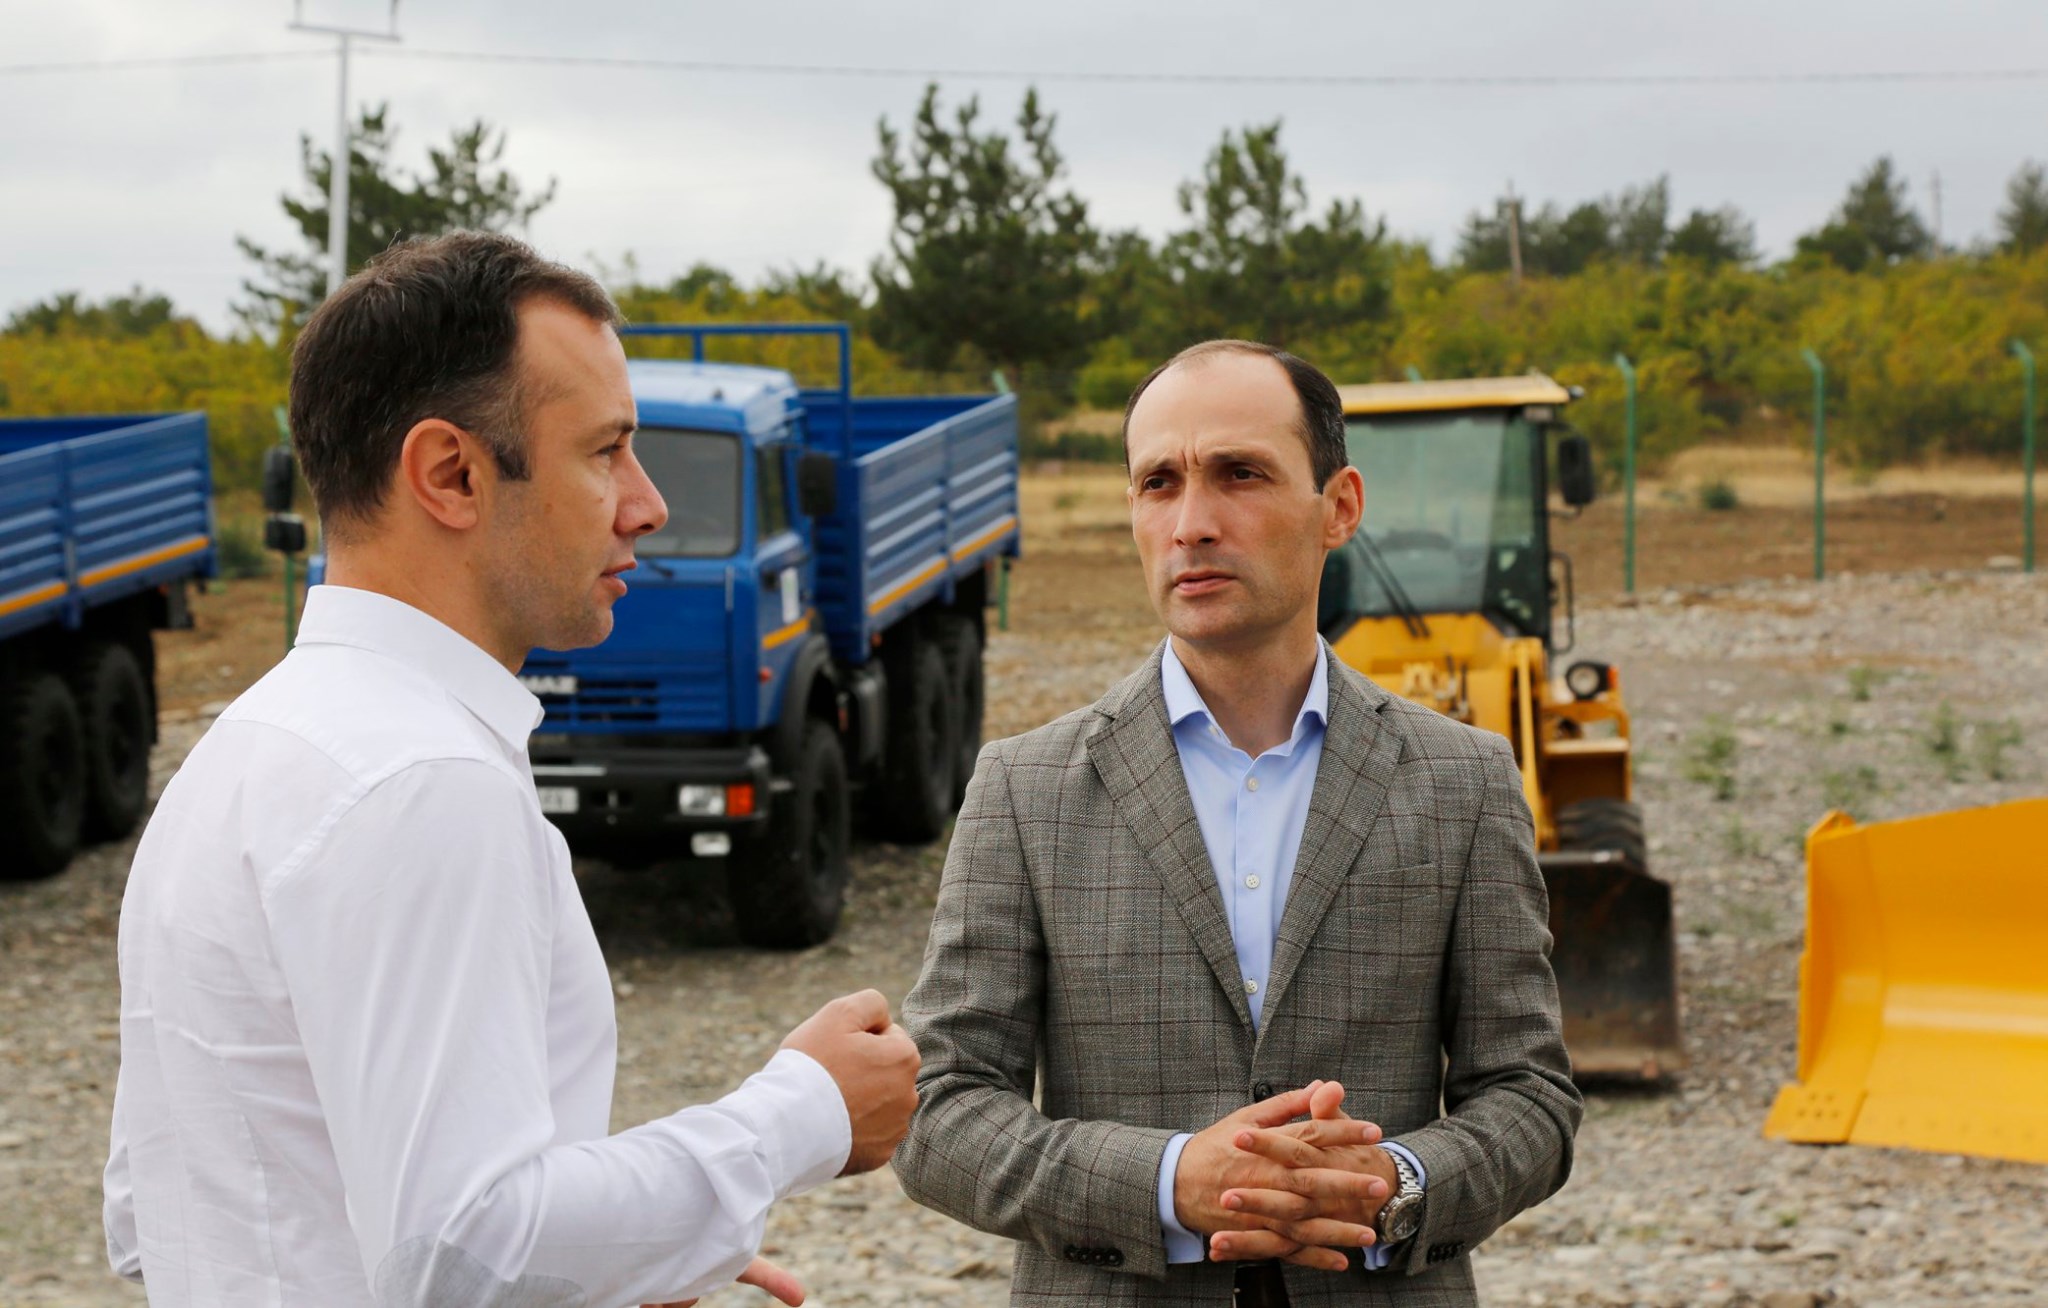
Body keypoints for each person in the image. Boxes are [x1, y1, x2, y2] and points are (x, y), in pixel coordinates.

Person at [102, 232, 919, 1307]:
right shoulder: (422, 781)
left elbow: (153, 1211)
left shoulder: (246, 751)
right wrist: (797, 1115)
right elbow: (465, 1251)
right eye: (605, 452)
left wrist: (601, 1266)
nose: (647, 503)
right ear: (451, 474)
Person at [894, 340, 1582, 1306]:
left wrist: (1393, 1187)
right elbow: (937, 1108)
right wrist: (1168, 1183)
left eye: (1240, 474)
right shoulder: (1025, 788)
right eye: (1159, 484)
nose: (1192, 524)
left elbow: (1531, 1095)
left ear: (1339, 505)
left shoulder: (1462, 781)